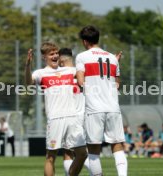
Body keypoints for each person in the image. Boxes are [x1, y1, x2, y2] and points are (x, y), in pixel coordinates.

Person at [25, 42, 87, 176]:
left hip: (73, 118)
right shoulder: (41, 73)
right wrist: (28, 65)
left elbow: (87, 76)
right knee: (51, 157)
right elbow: (28, 82)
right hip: (55, 119)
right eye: (51, 54)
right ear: (44, 57)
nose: (55, 56)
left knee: (82, 154)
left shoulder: (70, 71)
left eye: (56, 53)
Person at [75, 25, 127, 176]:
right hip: (113, 108)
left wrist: (89, 87)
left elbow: (80, 81)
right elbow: (117, 84)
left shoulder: (82, 56)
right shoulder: (112, 58)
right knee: (117, 146)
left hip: (94, 109)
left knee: (93, 151)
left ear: (85, 41)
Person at [58, 48, 91, 176]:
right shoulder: (82, 72)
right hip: (83, 116)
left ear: (61, 59)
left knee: (73, 153)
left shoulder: (60, 74)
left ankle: (96, 173)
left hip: (69, 117)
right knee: (79, 152)